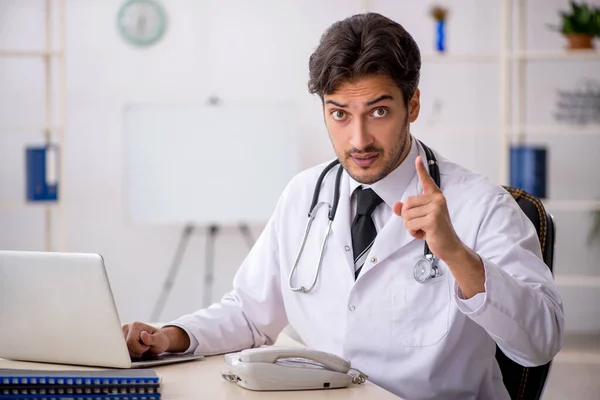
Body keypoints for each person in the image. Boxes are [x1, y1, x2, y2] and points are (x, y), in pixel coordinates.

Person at [122, 12, 563, 400]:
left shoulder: (482, 206)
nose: (358, 140)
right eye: (339, 114)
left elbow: (539, 341)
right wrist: (170, 337)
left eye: (378, 111)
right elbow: (250, 312)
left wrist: (456, 255)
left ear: (412, 104)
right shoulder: (304, 194)